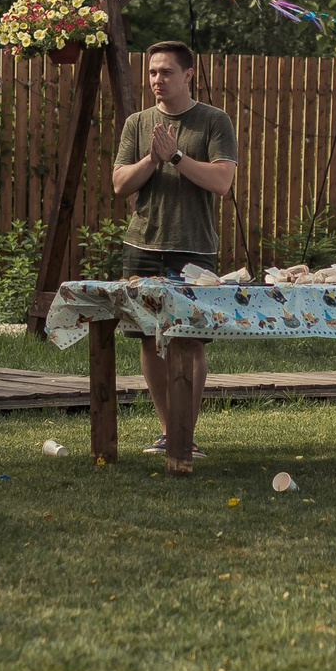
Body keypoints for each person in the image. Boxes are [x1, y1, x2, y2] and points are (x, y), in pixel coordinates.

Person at [108, 41, 239, 477]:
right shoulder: (138, 123)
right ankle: (169, 431)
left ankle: (186, 431)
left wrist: (178, 157)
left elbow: (222, 182)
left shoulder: (213, 120)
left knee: (190, 341)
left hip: (194, 249)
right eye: (151, 73)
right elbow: (120, 184)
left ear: (188, 76)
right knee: (149, 338)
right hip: (142, 247)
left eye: (165, 72)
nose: (156, 81)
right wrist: (152, 157)